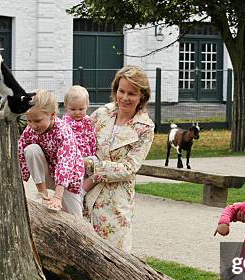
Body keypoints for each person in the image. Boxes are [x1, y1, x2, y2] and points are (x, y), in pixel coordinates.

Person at [83, 66, 154, 252]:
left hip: (115, 202)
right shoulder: (101, 114)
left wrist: (92, 165)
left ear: (142, 97)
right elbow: (81, 139)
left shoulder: (145, 128)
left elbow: (129, 168)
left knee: (115, 257)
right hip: (85, 194)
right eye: (121, 91)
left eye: (131, 93)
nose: (124, 97)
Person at [18, 89, 84, 217]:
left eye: (37, 121)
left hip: (68, 180)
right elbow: (21, 151)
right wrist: (21, 179)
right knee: (31, 149)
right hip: (47, 174)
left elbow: (65, 163)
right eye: (29, 121)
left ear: (52, 115)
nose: (33, 126)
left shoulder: (63, 132)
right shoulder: (30, 130)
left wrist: (58, 196)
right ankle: (43, 194)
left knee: (75, 218)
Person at [62, 85, 98, 193]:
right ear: (66, 106)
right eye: (73, 109)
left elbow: (92, 136)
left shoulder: (88, 121)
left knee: (98, 171)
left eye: (81, 109)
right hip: (74, 157)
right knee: (76, 177)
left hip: (89, 155)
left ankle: (83, 191)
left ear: (87, 105)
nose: (77, 112)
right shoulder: (65, 123)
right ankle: (78, 193)